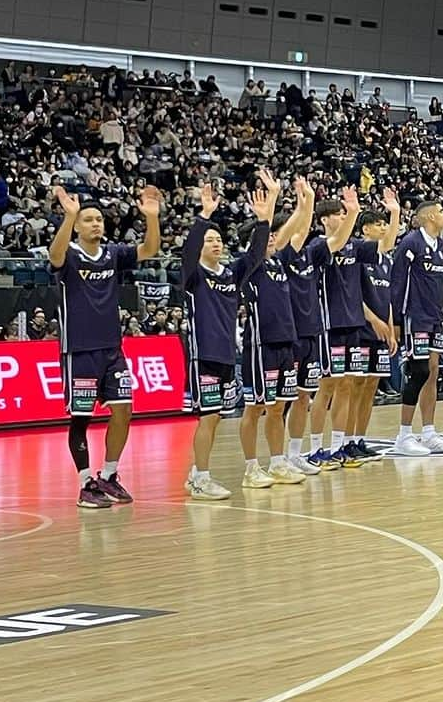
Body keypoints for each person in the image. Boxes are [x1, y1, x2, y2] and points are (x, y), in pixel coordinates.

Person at [49, 182, 162, 508]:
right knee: (80, 419)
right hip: (81, 349)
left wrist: (151, 218)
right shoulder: (69, 253)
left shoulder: (113, 254)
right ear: (77, 226)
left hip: (113, 350)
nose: (96, 223)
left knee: (124, 410)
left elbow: (149, 250)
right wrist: (69, 217)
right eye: (89, 220)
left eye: (99, 219)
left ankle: (109, 475)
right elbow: (54, 256)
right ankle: (86, 483)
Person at [181, 174, 277, 499]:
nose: (216, 243)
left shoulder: (230, 274)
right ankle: (201, 479)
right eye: (209, 240)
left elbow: (253, 257)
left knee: (217, 417)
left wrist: (263, 221)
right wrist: (204, 216)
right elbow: (189, 250)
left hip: (226, 353)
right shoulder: (193, 276)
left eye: (218, 239)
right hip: (203, 354)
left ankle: (197, 472)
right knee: (207, 417)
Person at [237, 171, 311, 489]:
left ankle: (278, 462)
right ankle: (251, 467)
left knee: (279, 406)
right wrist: (266, 214)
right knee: (255, 408)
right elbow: (266, 237)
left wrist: (301, 200)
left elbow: (294, 229)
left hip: (286, 343)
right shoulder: (247, 266)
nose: (272, 239)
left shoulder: (277, 262)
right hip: (260, 345)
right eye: (265, 236)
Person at [333, 197, 401, 463]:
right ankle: (346, 441)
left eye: (385, 224)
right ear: (365, 231)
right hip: (362, 327)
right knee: (354, 385)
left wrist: (392, 330)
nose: (384, 228)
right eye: (379, 224)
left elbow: (389, 299)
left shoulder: (386, 261)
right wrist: (373, 319)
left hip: (384, 331)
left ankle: (360, 439)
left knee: (371, 385)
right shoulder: (359, 257)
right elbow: (355, 296)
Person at [391, 200, 443, 456]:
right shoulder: (411, 243)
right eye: (442, 212)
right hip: (414, 316)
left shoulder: (440, 245)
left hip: (433, 317)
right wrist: (397, 321)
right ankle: (404, 435)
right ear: (430, 216)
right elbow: (397, 283)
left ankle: (428, 432)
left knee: (433, 371)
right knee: (418, 372)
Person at [278, 177, 327, 476]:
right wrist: (305, 202)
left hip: (311, 332)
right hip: (290, 333)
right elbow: (299, 230)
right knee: (283, 401)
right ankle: (277, 456)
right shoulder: (282, 255)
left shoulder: (309, 255)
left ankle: (294, 453)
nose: (303, 234)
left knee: (303, 396)